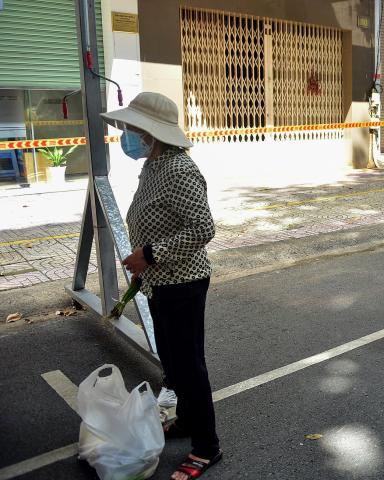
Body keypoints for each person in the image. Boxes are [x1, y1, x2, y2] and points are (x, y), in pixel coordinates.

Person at [101, 92, 222, 480]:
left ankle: (207, 448)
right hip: (159, 280)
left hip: (183, 282)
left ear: (153, 134)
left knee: (188, 366)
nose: (127, 135)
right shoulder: (154, 166)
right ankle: (186, 421)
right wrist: (145, 267)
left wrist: (149, 254)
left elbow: (203, 229)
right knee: (172, 363)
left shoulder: (178, 169)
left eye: (133, 129)